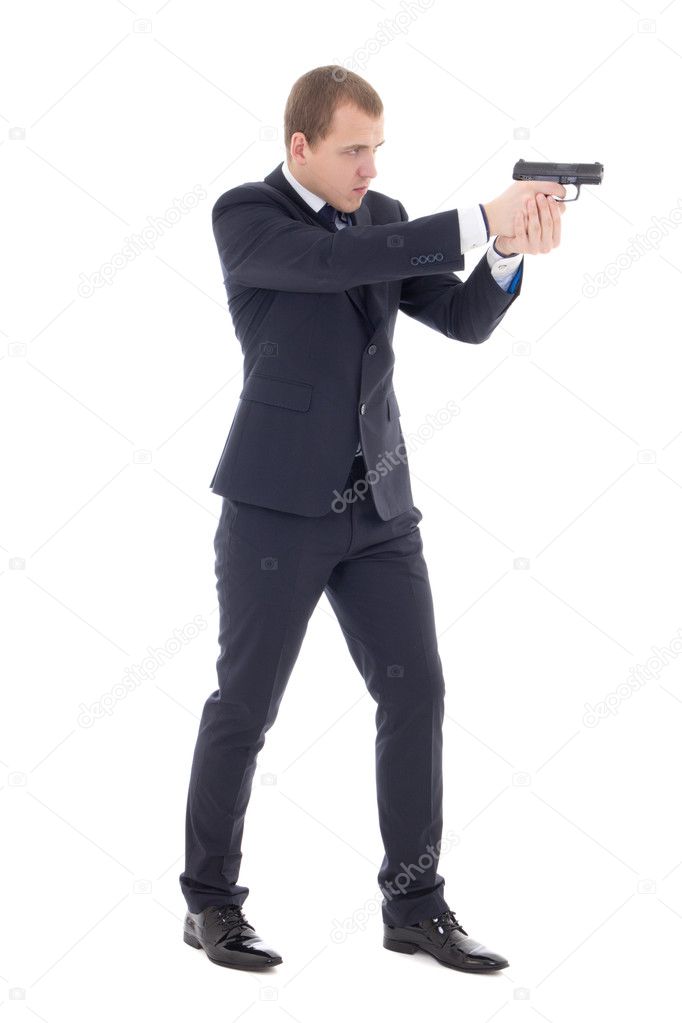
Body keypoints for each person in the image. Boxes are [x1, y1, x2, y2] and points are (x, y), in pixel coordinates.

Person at [179, 64, 566, 973]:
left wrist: (506, 252)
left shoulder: (387, 220)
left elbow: (463, 318)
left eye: (378, 149)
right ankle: (209, 903)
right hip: (277, 512)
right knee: (246, 705)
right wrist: (478, 217)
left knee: (417, 689)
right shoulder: (246, 216)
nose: (370, 167)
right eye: (353, 151)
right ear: (300, 147)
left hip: (380, 510)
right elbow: (329, 266)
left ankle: (415, 905)